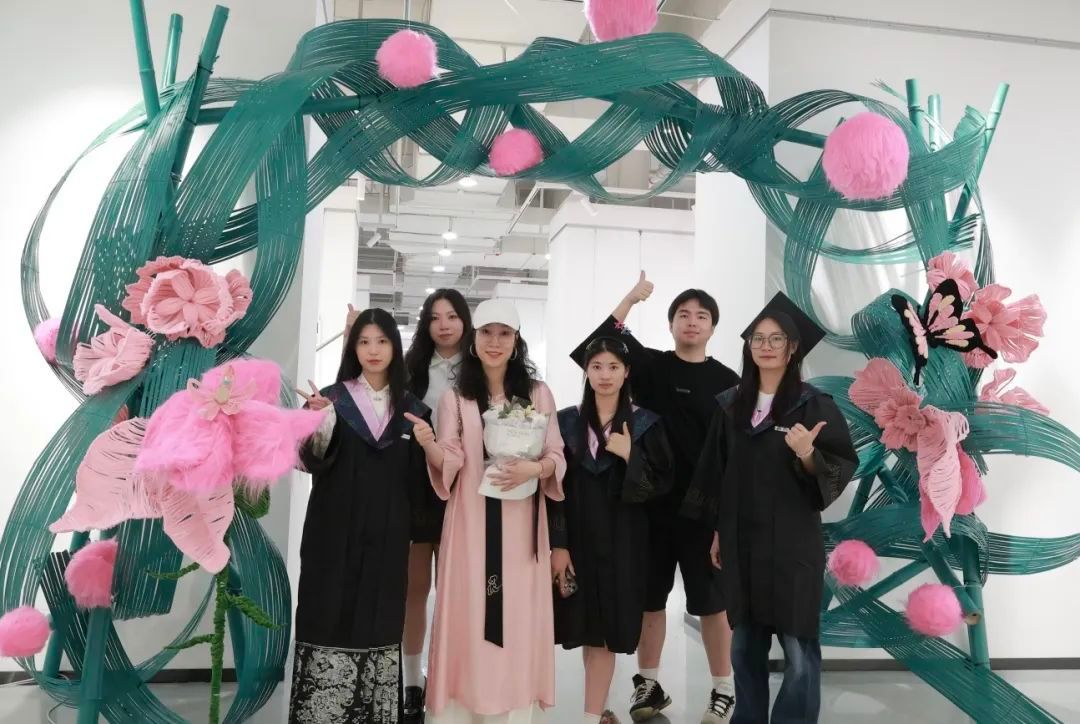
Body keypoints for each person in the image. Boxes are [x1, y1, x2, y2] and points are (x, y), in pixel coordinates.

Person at [571, 273, 740, 724]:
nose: (691, 321)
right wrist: (629, 299)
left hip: (703, 510)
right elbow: (599, 344)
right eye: (683, 314)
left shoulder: (728, 382)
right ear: (670, 324)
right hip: (648, 505)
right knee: (651, 598)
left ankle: (723, 688)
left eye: (701, 316)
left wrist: (726, 519)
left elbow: (734, 453)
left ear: (712, 327)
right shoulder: (651, 367)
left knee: (711, 602)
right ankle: (647, 683)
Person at [683, 292, 858, 724]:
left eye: (776, 338)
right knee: (744, 647)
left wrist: (807, 454)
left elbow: (839, 466)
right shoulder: (730, 406)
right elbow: (714, 472)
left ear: (792, 347)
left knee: (798, 650)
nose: (765, 346)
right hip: (741, 540)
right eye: (758, 338)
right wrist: (716, 531)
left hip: (792, 545)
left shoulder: (814, 405)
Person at [409, 298, 567, 723]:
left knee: (517, 616)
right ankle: (464, 706)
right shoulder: (456, 398)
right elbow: (451, 460)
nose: (495, 342)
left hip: (521, 526)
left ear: (516, 341)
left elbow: (556, 452)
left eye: (504, 334)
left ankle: (512, 705)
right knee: (470, 610)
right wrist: (429, 444)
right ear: (474, 340)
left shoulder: (537, 393)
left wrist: (536, 468)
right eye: (486, 333)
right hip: (471, 523)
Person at [291, 307, 434, 724]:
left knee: (380, 617)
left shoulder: (413, 410)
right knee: (327, 611)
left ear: (395, 347)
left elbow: (419, 482)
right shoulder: (331, 400)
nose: (373, 350)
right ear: (353, 348)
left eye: (382, 341)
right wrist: (317, 422)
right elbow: (310, 461)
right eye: (364, 341)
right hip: (333, 531)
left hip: (388, 535)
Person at [549, 337, 676, 724]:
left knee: (604, 633)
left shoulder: (645, 423)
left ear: (626, 372)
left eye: (614, 367)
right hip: (579, 541)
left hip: (625, 542)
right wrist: (559, 544)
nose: (605, 375)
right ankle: (599, 708)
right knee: (589, 631)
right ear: (586, 372)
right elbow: (553, 490)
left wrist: (631, 455)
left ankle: (591, 716)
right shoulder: (566, 422)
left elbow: (663, 485)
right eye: (597, 366)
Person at [400, 289, 472, 723]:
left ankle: (452, 680)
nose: (444, 325)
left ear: (465, 321)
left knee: (455, 588)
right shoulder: (410, 369)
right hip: (415, 483)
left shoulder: (480, 367)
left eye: (452, 316)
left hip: (463, 483)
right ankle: (413, 682)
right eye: (435, 317)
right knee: (414, 587)